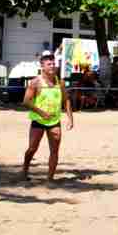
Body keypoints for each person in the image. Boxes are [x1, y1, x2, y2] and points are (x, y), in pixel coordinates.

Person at [22, 50, 73, 181]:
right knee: (32, 148)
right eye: (49, 64)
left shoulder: (60, 82)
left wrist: (70, 118)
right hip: (38, 120)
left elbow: (66, 99)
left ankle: (50, 178)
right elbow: (26, 101)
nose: (52, 66)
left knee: (55, 150)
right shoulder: (35, 82)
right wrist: (41, 112)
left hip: (54, 121)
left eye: (53, 64)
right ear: (42, 67)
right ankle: (25, 169)